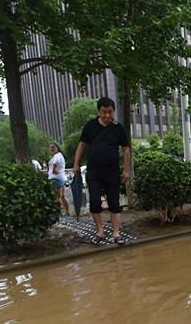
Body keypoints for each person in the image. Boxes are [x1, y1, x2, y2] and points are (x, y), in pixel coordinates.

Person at [73, 97, 131, 245]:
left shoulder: (118, 128)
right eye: (104, 112)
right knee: (94, 202)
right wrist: (76, 164)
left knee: (114, 202)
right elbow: (81, 145)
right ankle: (100, 232)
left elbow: (126, 150)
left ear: (113, 112)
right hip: (94, 171)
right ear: (99, 111)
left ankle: (117, 233)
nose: (107, 116)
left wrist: (126, 170)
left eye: (110, 112)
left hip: (112, 171)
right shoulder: (90, 126)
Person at [48, 143, 70, 216]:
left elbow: (54, 169)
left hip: (55, 178)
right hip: (61, 178)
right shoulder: (60, 155)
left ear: (57, 147)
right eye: (50, 147)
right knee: (63, 196)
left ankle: (58, 213)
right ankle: (67, 212)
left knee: (57, 197)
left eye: (53, 147)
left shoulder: (56, 156)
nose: (52, 148)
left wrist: (53, 173)